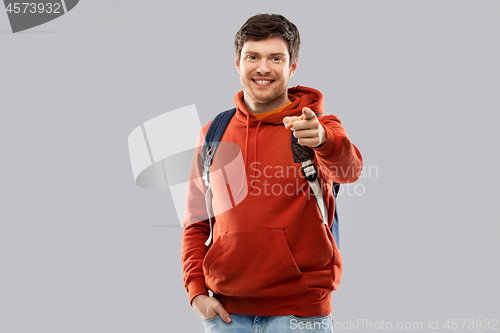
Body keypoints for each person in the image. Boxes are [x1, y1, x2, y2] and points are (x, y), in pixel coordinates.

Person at [181, 13, 363, 332]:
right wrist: (196, 291)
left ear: (292, 67)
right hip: (226, 317)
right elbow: (196, 221)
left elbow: (349, 170)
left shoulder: (318, 126)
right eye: (253, 56)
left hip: (301, 317)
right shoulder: (213, 132)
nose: (263, 68)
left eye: (275, 58)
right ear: (237, 62)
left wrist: (323, 140)